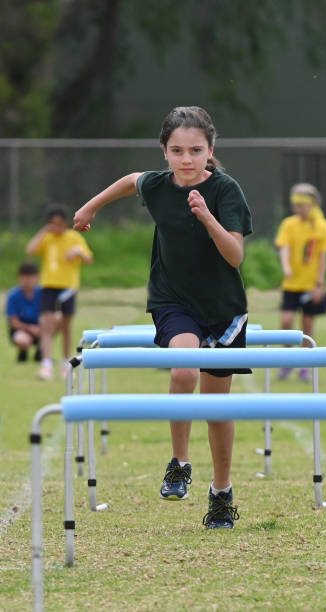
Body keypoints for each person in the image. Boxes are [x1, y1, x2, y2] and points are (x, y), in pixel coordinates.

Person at [73, 106, 253, 529]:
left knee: (216, 407)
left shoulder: (226, 191)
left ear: (210, 150)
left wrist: (206, 216)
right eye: (176, 151)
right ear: (164, 151)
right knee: (184, 369)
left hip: (224, 310)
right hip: (173, 302)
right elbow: (130, 181)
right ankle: (180, 462)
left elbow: (235, 256)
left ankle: (221, 493)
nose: (186, 159)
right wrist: (89, 208)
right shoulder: (157, 184)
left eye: (194, 150)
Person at [275, 183, 326, 382]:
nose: (297, 208)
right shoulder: (289, 224)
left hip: (311, 285)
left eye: (301, 204)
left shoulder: (322, 226)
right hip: (291, 285)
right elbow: (284, 247)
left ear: (312, 204)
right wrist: (286, 266)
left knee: (307, 326)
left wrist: (319, 284)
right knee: (286, 321)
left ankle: (304, 366)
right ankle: (287, 361)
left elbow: (323, 258)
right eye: (295, 204)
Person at [26, 204, 93, 381]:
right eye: (52, 224)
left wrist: (78, 251)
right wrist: (43, 231)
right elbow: (30, 250)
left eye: (59, 224)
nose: (55, 227)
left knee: (65, 327)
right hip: (48, 286)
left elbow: (89, 259)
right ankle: (46, 364)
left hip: (68, 288)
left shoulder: (74, 237)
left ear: (65, 223)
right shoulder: (47, 237)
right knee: (46, 325)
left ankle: (65, 363)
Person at [5, 262, 42, 362]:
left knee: (56, 319)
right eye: (25, 277)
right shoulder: (14, 295)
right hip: (22, 329)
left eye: (31, 277)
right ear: (20, 278)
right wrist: (30, 328)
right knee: (23, 340)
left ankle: (41, 350)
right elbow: (13, 322)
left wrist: (41, 327)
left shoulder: (42, 293)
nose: (28, 281)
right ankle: (23, 351)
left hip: (40, 328)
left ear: (37, 278)